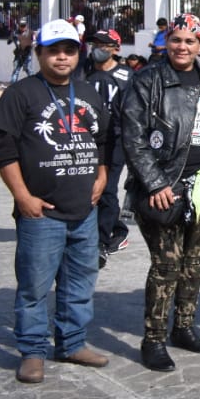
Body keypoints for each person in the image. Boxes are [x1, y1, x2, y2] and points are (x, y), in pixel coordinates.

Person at [0, 19, 110, 384]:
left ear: (78, 54)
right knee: (34, 286)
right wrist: (22, 196)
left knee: (80, 282)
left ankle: (72, 342)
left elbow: (102, 140)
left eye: (69, 50)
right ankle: (32, 351)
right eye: (54, 50)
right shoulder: (21, 94)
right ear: (39, 52)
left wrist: (102, 175)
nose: (62, 57)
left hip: (84, 211)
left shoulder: (88, 93)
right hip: (41, 213)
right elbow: (3, 149)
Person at [121, 13, 200, 372]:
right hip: (163, 186)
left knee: (192, 263)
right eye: (176, 39)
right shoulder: (146, 81)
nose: (183, 46)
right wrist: (155, 183)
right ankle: (153, 339)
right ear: (166, 42)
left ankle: (183, 327)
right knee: (166, 264)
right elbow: (133, 138)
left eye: (190, 41)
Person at [83, 29, 133, 266]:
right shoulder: (84, 72)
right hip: (88, 140)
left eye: (105, 44)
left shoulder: (126, 76)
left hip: (115, 141)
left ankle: (102, 241)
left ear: (116, 48)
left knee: (107, 188)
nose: (98, 48)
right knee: (89, 187)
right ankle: (116, 227)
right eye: (95, 43)